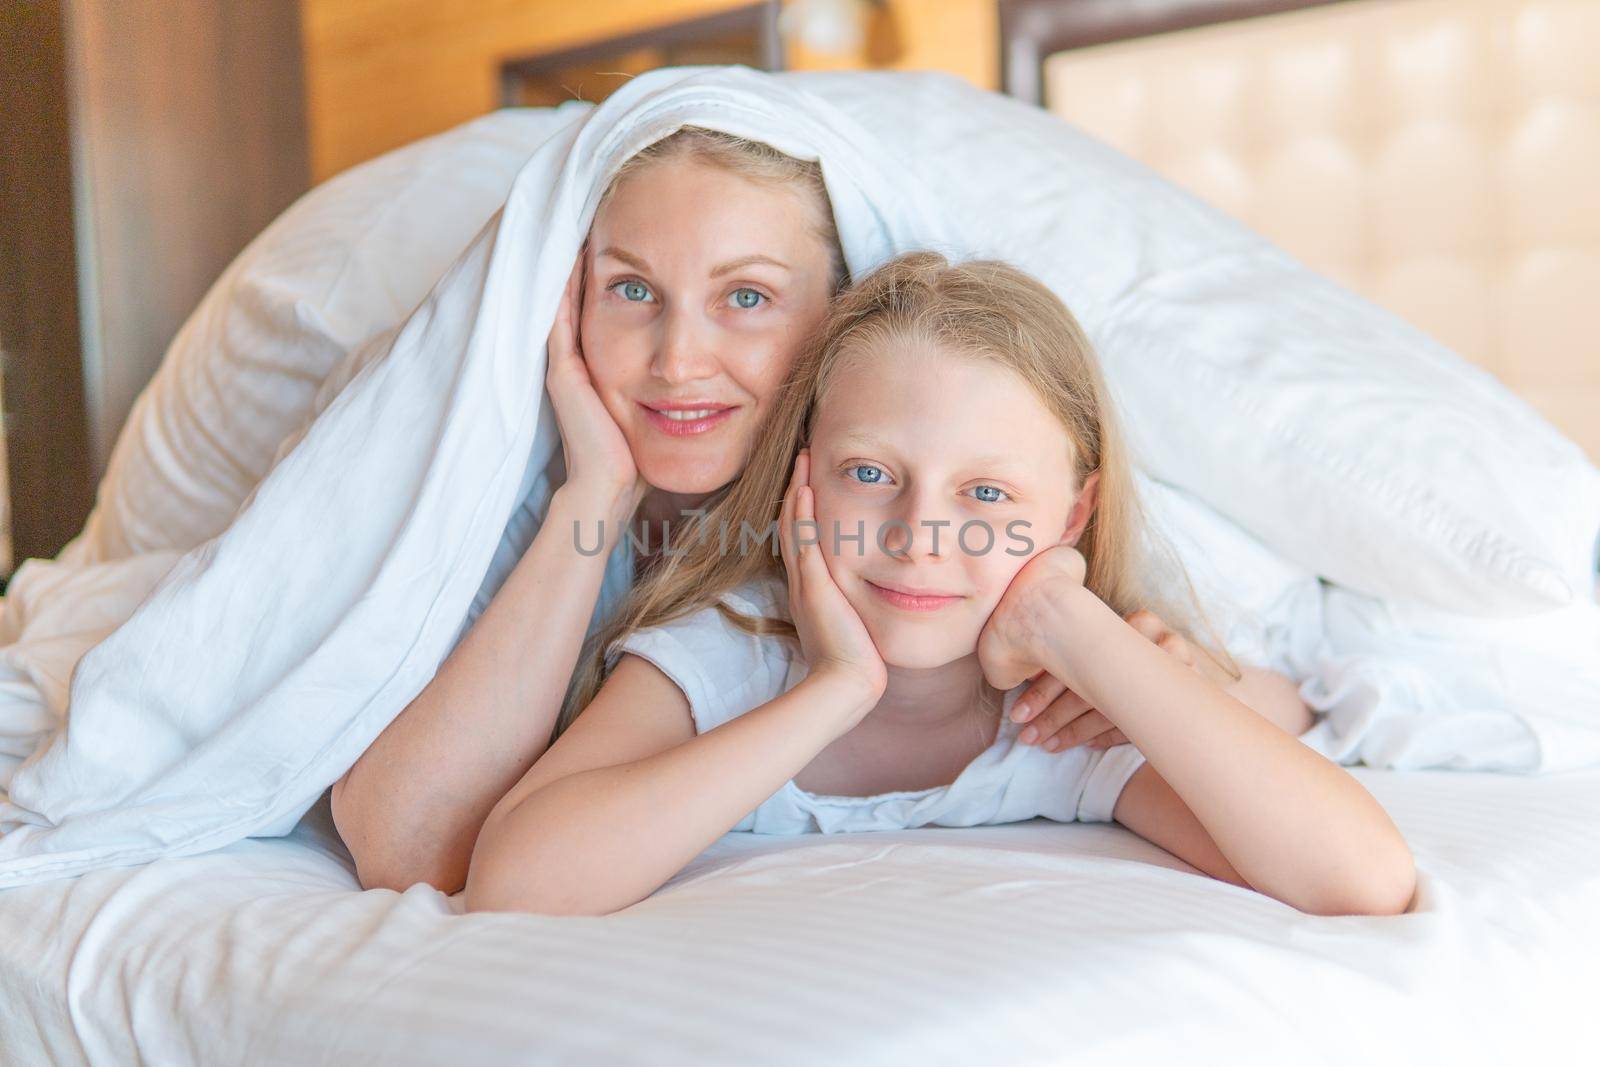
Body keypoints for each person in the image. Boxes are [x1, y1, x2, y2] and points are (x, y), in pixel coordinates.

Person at [462, 253, 1415, 919]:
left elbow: (1363, 878)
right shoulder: (729, 651)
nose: (920, 538)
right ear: (802, 476)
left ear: (1073, 516)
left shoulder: (1065, 718)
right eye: (870, 474)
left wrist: (1074, 627)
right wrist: (837, 689)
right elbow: (516, 879)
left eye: (988, 492)